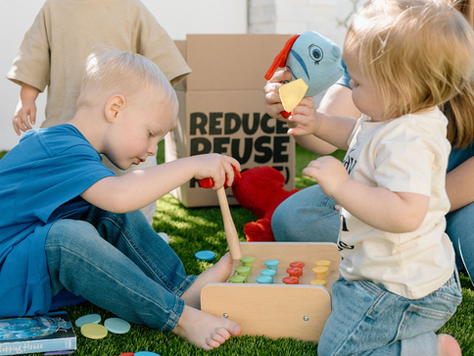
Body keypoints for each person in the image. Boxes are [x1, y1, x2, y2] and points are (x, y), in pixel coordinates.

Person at [0, 48, 242, 351]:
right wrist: (192, 165)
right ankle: (178, 317)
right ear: (115, 109)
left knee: (101, 212)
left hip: (25, 269)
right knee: (69, 235)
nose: (153, 149)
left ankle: (179, 290)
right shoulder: (57, 145)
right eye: (151, 133)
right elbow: (120, 195)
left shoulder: (75, 152)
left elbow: (113, 203)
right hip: (5, 277)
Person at [281, 1, 474, 354]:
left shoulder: (408, 140)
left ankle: (433, 350)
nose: (350, 87)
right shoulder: (392, 114)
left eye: (357, 82)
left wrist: (342, 186)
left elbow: (405, 213)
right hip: (384, 270)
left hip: (398, 286)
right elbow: (357, 135)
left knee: (336, 352)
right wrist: (319, 123)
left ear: (398, 89)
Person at [6, 0, 191, 224]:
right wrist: (27, 98)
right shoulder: (54, 8)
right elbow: (35, 54)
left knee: (135, 184)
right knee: (69, 193)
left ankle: (141, 236)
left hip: (126, 125)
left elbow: (161, 54)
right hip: (68, 122)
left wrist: (162, 109)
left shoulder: (131, 8)